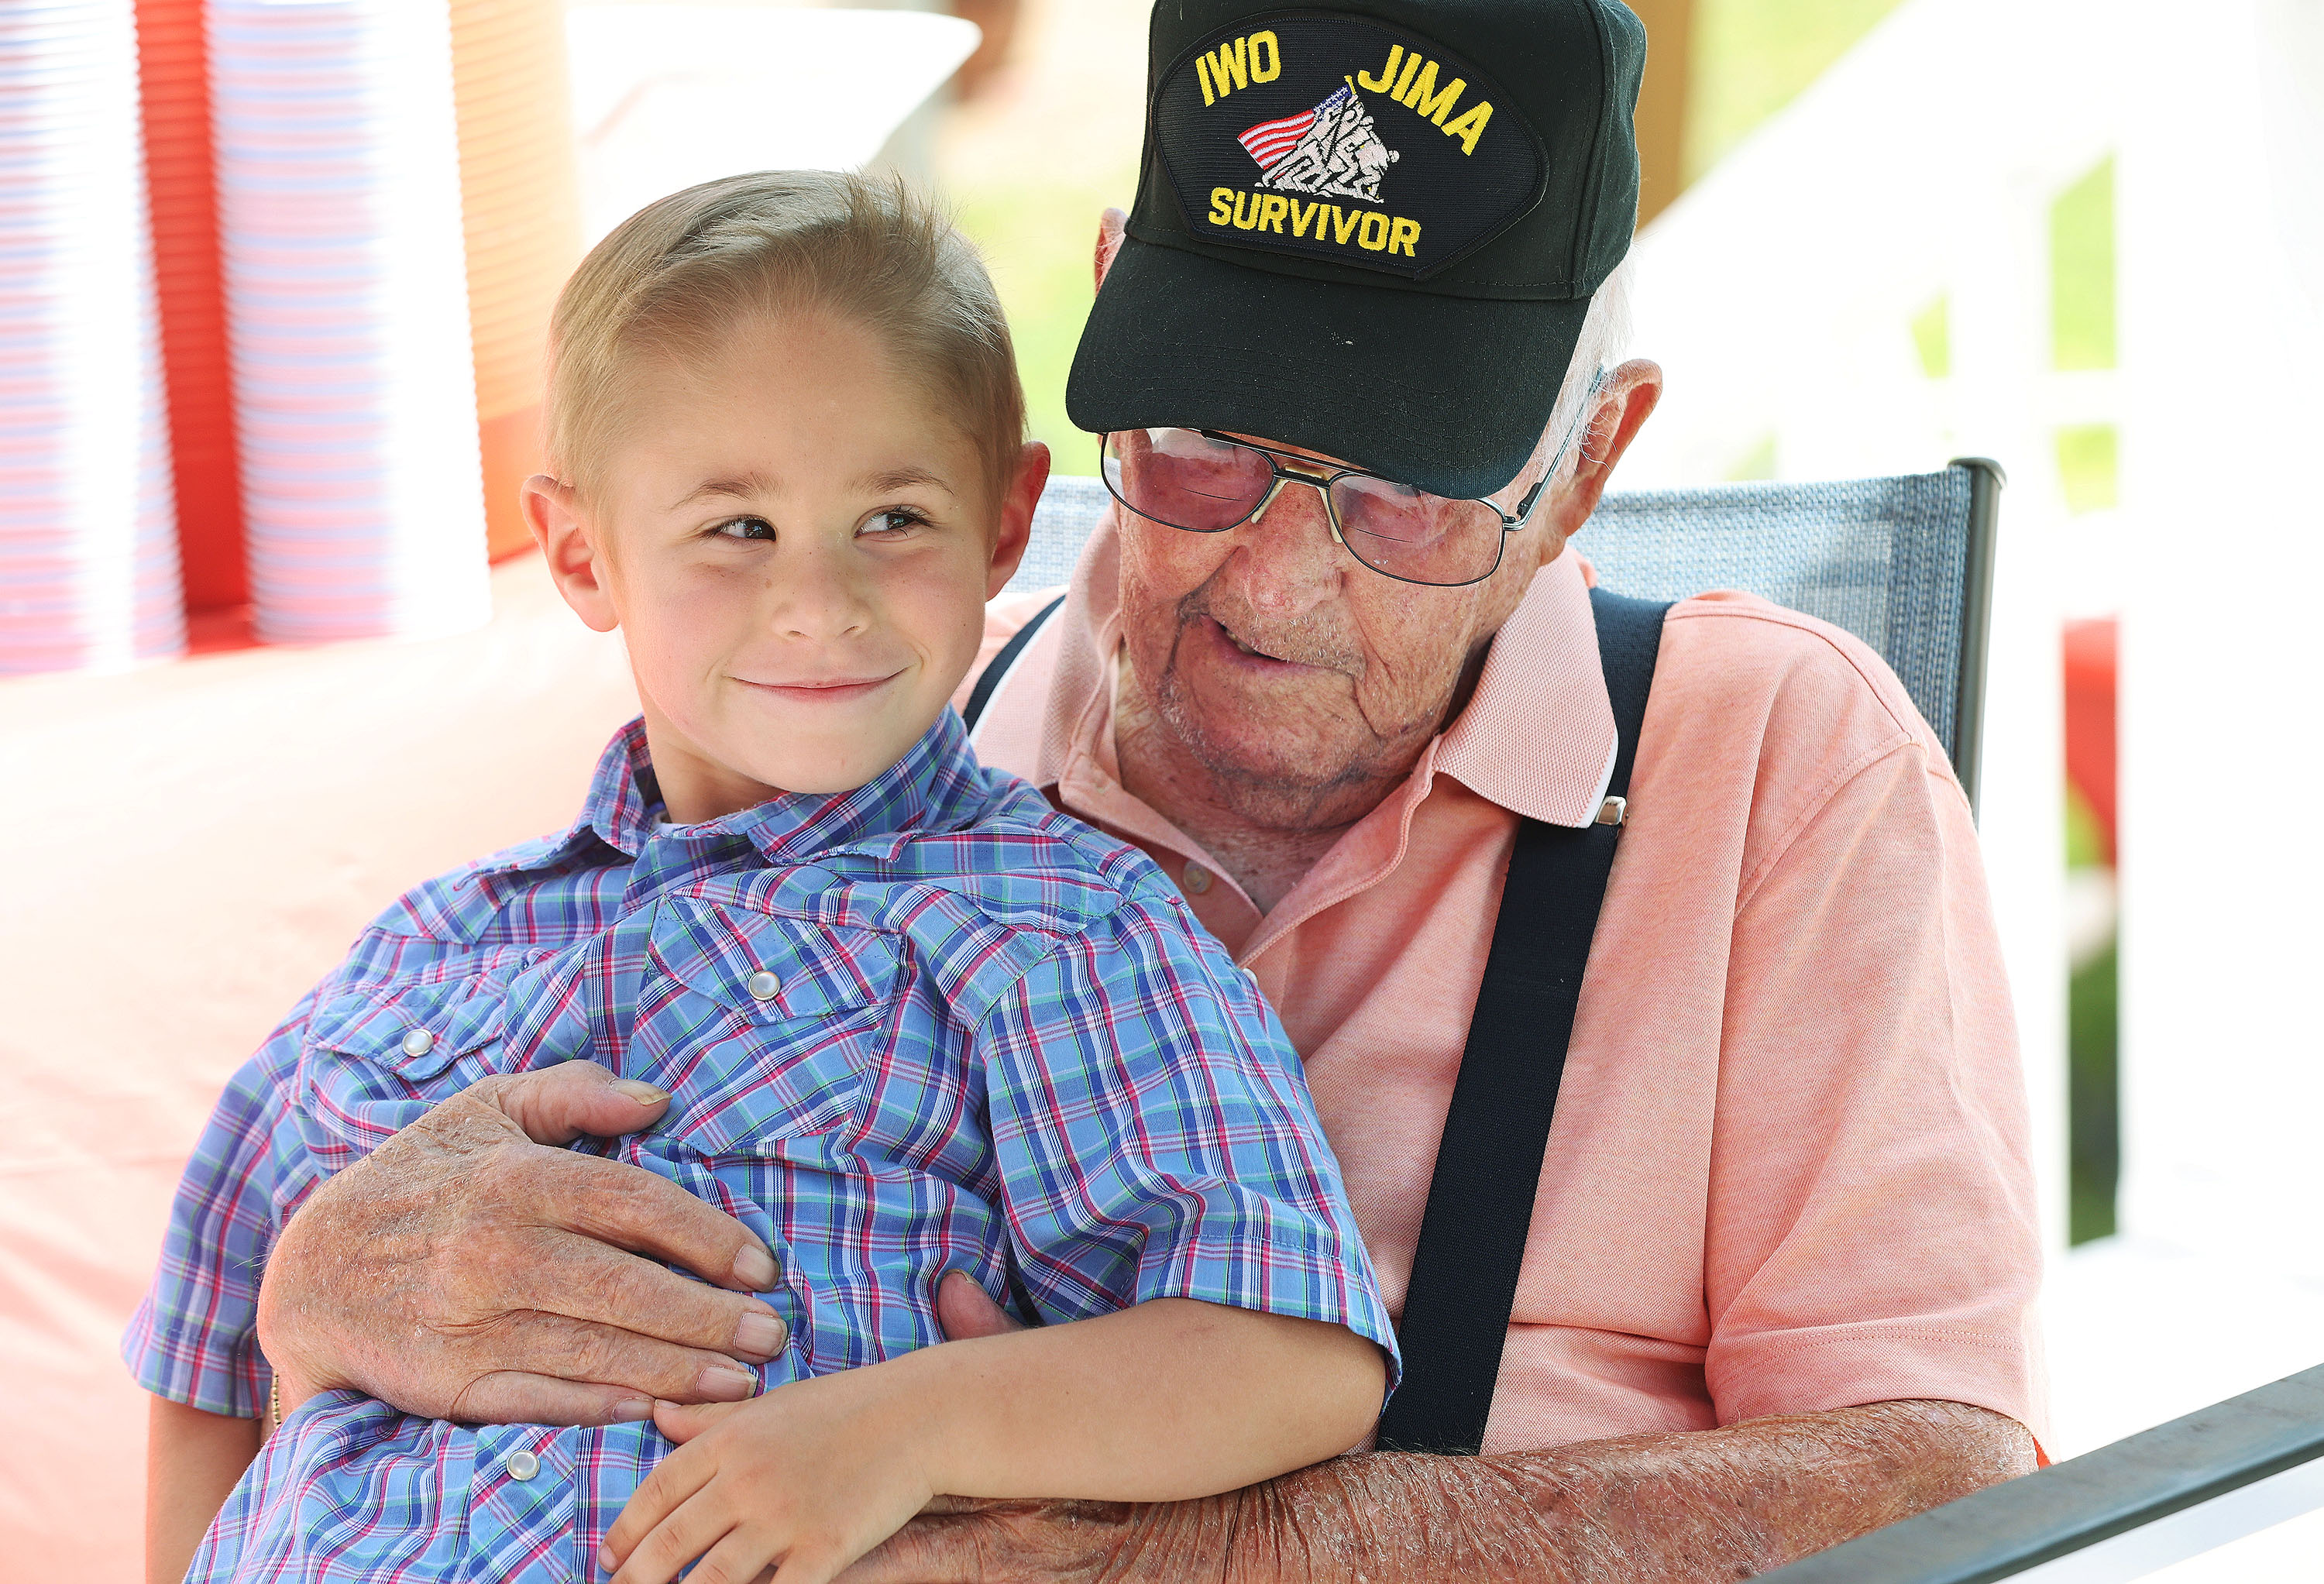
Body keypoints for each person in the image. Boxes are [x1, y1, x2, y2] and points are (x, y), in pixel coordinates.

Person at [163, 2, 2051, 1580]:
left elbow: (1945, 1482)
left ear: (1585, 467)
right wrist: (312, 1285)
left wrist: (1235, 1554)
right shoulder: (856, 730)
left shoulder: (1776, 760)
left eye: (1402, 491)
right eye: (1205, 443)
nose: (1272, 583)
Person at [129, 170, 1401, 1584]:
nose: (819, 599)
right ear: (578, 550)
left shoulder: (1060, 925)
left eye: (895, 518)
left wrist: (899, 1435)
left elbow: (1292, 1359)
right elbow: (210, 1349)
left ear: (1003, 522)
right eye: (737, 529)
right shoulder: (423, 949)